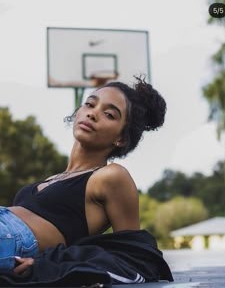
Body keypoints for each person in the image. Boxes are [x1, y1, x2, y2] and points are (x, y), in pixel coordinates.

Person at [0, 75, 167, 276]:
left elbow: (135, 254)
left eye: (109, 115)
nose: (93, 114)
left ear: (121, 138)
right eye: (89, 104)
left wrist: (47, 266)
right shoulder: (52, 179)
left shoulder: (110, 176)